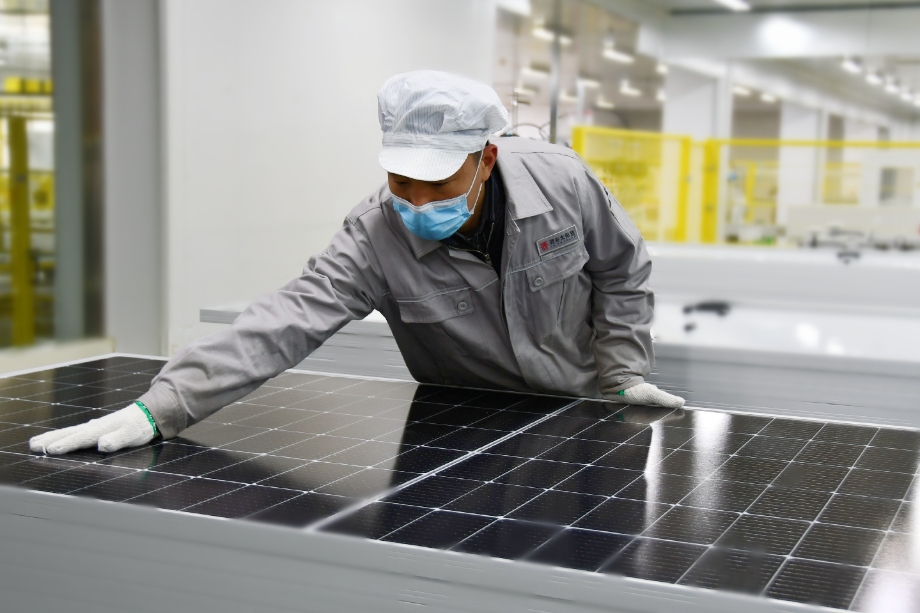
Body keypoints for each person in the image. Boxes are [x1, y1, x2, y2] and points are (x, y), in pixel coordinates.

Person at [30, 70, 683, 457]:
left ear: (485, 159)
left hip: (577, 417)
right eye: (403, 181)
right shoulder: (374, 237)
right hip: (455, 431)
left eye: (438, 183)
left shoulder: (562, 182)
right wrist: (161, 405)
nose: (416, 202)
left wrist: (623, 373)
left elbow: (622, 270)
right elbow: (283, 322)